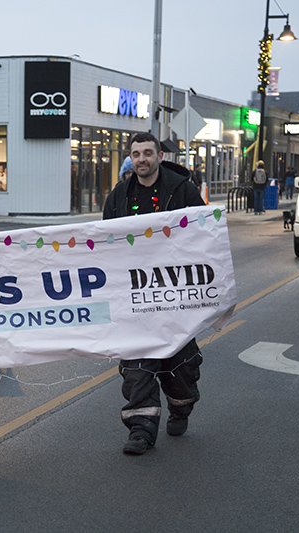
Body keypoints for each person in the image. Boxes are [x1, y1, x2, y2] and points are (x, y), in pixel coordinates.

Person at [102, 132, 205, 456]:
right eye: (136, 154)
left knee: (179, 366)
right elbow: (104, 242)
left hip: (174, 298)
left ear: (160, 156)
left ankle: (181, 407)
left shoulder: (182, 190)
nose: (142, 159)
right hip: (133, 299)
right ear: (130, 158)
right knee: (136, 367)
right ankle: (141, 431)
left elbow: (205, 235)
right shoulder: (119, 195)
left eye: (148, 153)